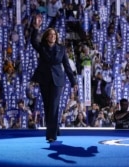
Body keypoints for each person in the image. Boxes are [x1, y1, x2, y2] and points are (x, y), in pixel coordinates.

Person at [30, 14, 78, 142]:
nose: (53, 36)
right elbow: (34, 42)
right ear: (46, 37)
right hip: (44, 80)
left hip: (58, 81)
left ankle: (51, 135)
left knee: (54, 105)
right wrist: (36, 28)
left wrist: (74, 82)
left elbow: (67, 66)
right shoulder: (42, 47)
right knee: (47, 106)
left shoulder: (61, 49)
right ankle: (55, 128)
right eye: (50, 35)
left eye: (54, 35)